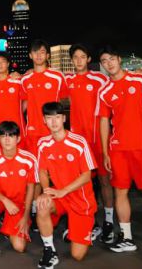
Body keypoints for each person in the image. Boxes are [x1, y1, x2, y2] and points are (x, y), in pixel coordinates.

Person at [97, 45, 142, 261]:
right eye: (104, 61)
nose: (109, 64)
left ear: (119, 59)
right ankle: (126, 238)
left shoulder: (140, 79)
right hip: (118, 150)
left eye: (111, 59)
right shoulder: (104, 91)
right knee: (120, 193)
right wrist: (106, 153)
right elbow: (104, 122)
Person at [35, 102, 98, 268]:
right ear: (44, 121)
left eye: (57, 117)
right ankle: (49, 250)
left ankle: (79, 228)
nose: (53, 122)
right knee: (41, 203)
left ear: (64, 118)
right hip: (59, 196)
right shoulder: (43, 143)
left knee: (77, 256)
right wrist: (46, 191)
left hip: (81, 200)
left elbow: (87, 176)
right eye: (49, 118)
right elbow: (42, 171)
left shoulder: (79, 142)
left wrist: (64, 190)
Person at [64, 44, 113, 242]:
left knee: (104, 181)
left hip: (99, 139)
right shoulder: (67, 80)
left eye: (82, 57)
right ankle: (88, 222)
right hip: (79, 143)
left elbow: (116, 84)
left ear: (89, 59)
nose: (79, 60)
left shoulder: (100, 79)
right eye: (75, 57)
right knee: (83, 183)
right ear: (71, 60)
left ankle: (109, 222)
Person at [0, 121, 37, 259]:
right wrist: (5, 201)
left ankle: (8, 225)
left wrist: (26, 216)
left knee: (19, 247)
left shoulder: (29, 159)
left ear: (18, 138)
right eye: (3, 136)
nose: (7, 139)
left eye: (11, 136)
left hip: (18, 205)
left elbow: (31, 189)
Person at [0, 53, 26, 145]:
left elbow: (27, 100)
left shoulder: (18, 82)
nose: (0, 64)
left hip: (18, 128)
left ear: (8, 64)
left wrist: (18, 112)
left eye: (3, 61)